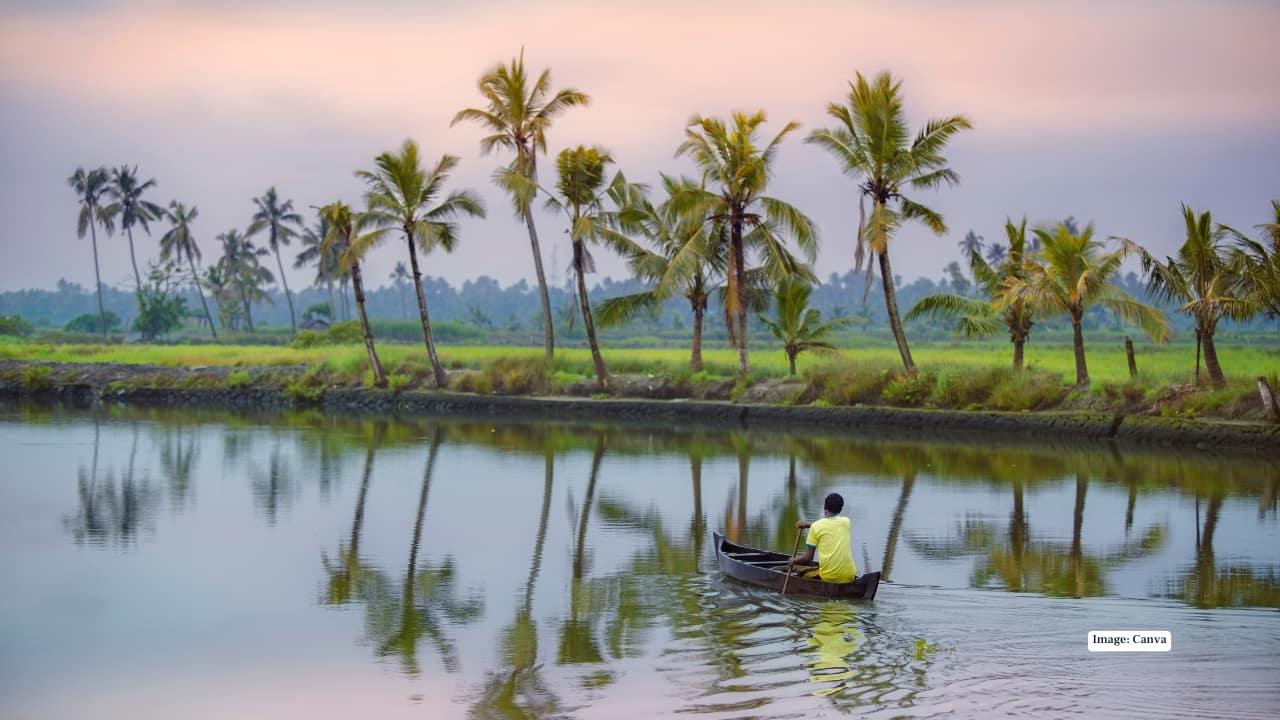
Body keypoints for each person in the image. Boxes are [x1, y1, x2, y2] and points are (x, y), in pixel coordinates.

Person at [787, 492, 857, 583]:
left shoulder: (816, 527)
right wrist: (808, 525)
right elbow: (828, 525)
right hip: (850, 575)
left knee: (801, 574)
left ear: (824, 508)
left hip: (829, 577)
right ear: (840, 510)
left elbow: (808, 558)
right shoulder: (846, 522)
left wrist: (794, 560)